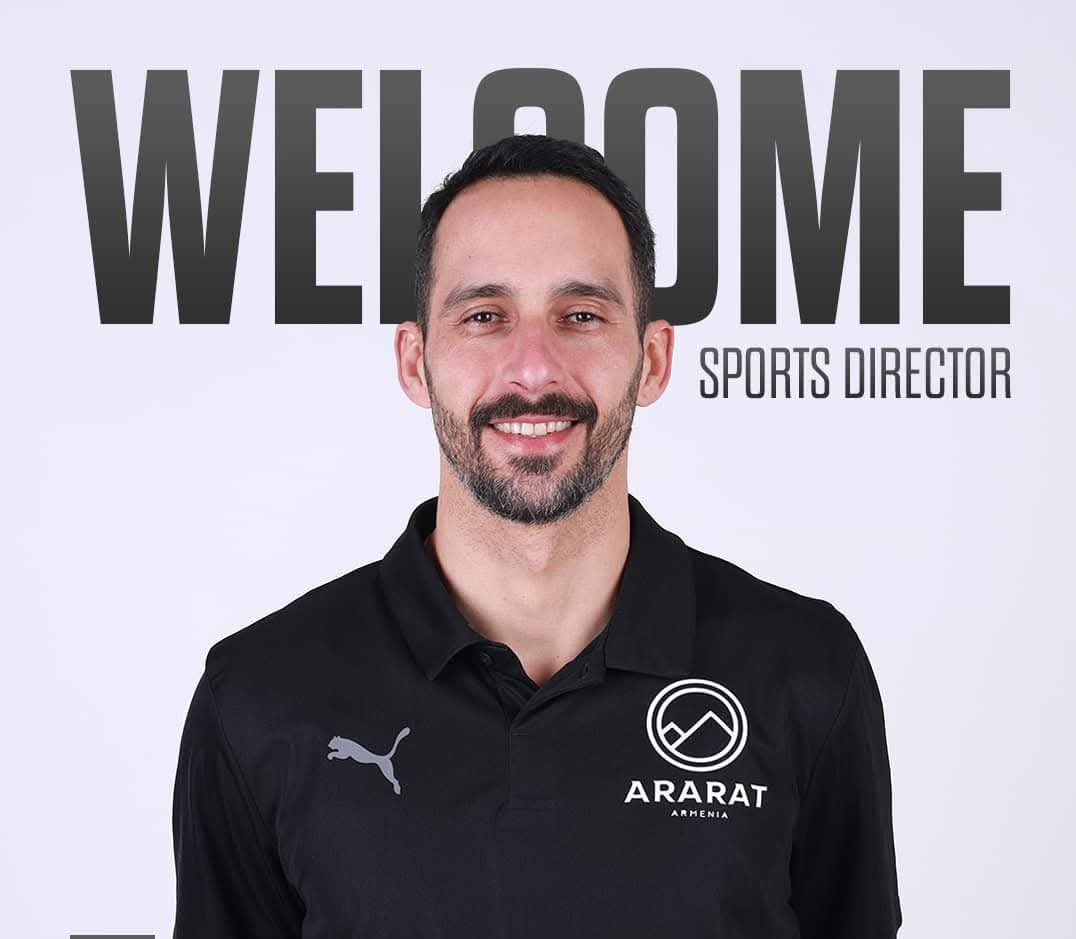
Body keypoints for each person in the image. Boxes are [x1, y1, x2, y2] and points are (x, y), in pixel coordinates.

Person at [171, 134, 902, 938]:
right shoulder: (259, 695)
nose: (533, 369)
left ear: (653, 359)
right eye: (484, 316)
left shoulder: (804, 672)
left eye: (580, 315)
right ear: (415, 362)